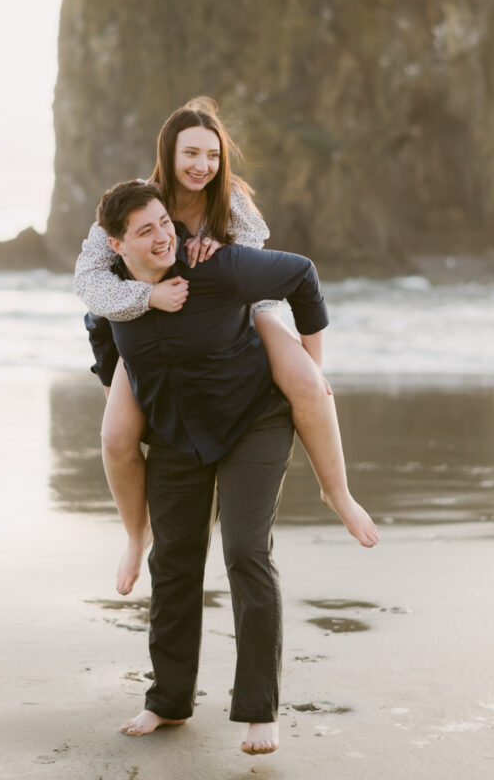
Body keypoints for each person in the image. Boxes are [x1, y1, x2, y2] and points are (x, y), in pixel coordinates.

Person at [75, 98, 378, 597]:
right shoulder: (139, 204)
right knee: (114, 437)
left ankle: (337, 492)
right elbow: (88, 281)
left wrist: (221, 245)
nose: (202, 166)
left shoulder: (231, 198)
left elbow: (256, 263)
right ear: (167, 154)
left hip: (241, 310)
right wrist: (147, 294)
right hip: (147, 330)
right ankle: (135, 534)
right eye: (191, 153)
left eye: (212, 155)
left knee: (308, 382)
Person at [86, 179, 339, 754]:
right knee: (172, 561)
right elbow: (102, 341)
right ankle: (167, 701)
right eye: (145, 231)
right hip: (179, 434)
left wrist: (308, 362)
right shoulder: (114, 294)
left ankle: (259, 709)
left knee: (245, 550)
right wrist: (118, 396)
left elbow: (301, 273)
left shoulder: (218, 268)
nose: (161, 238)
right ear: (115, 245)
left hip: (254, 419)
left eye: (164, 224)